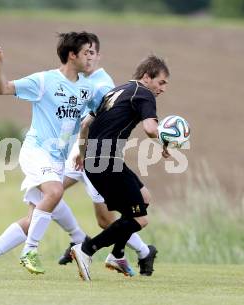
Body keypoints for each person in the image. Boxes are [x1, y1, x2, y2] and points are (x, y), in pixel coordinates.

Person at [0, 31, 99, 279]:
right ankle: (30, 251)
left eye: (93, 53)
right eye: (86, 53)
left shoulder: (88, 89)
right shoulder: (44, 80)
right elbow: (3, 89)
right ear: (72, 55)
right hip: (36, 150)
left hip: (58, 159)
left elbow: (87, 124)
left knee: (34, 218)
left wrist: (81, 153)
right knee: (55, 192)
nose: (90, 58)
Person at [56, 50, 157, 277]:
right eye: (161, 82)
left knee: (145, 198)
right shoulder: (144, 93)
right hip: (106, 160)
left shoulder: (116, 90)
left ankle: (117, 252)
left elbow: (85, 125)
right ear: (147, 77)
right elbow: (151, 129)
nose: (163, 88)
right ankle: (86, 249)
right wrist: (167, 143)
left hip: (98, 159)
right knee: (139, 219)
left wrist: (81, 154)